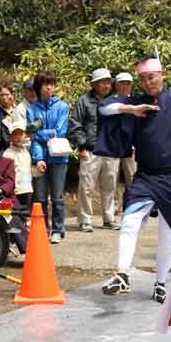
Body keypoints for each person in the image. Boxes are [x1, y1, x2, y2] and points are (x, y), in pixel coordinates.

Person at [96, 29, 171, 301]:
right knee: (129, 221)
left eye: (152, 76)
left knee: (166, 233)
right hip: (146, 176)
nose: (148, 82)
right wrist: (131, 110)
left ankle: (161, 283)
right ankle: (122, 273)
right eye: (143, 78)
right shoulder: (135, 101)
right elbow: (104, 108)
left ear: (162, 75)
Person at [70, 68, 121, 231]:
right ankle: (85, 220)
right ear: (95, 84)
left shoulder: (115, 100)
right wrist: (82, 147)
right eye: (103, 82)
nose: (107, 85)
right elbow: (75, 125)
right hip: (91, 150)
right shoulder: (83, 101)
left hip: (111, 150)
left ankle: (109, 218)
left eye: (108, 82)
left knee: (110, 186)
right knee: (86, 186)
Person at [27, 70, 70, 244]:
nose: (49, 87)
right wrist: (38, 159)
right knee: (41, 196)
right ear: (39, 87)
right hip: (41, 158)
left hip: (59, 157)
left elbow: (60, 132)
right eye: (45, 84)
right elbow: (31, 136)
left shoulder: (62, 106)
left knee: (58, 196)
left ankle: (58, 230)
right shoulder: (32, 108)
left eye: (51, 84)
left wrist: (39, 133)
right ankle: (43, 228)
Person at [2, 117, 34, 211]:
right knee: (18, 214)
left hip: (28, 189)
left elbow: (29, 170)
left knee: (27, 213)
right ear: (10, 137)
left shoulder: (26, 152)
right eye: (15, 135)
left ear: (25, 136)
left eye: (21, 134)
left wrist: (38, 171)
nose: (19, 137)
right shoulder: (8, 154)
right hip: (15, 191)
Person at [113, 72, 137, 187]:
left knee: (133, 179)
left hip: (130, 148)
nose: (125, 86)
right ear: (116, 85)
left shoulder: (136, 102)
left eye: (128, 83)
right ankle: (113, 205)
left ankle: (134, 203)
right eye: (122, 83)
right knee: (111, 182)